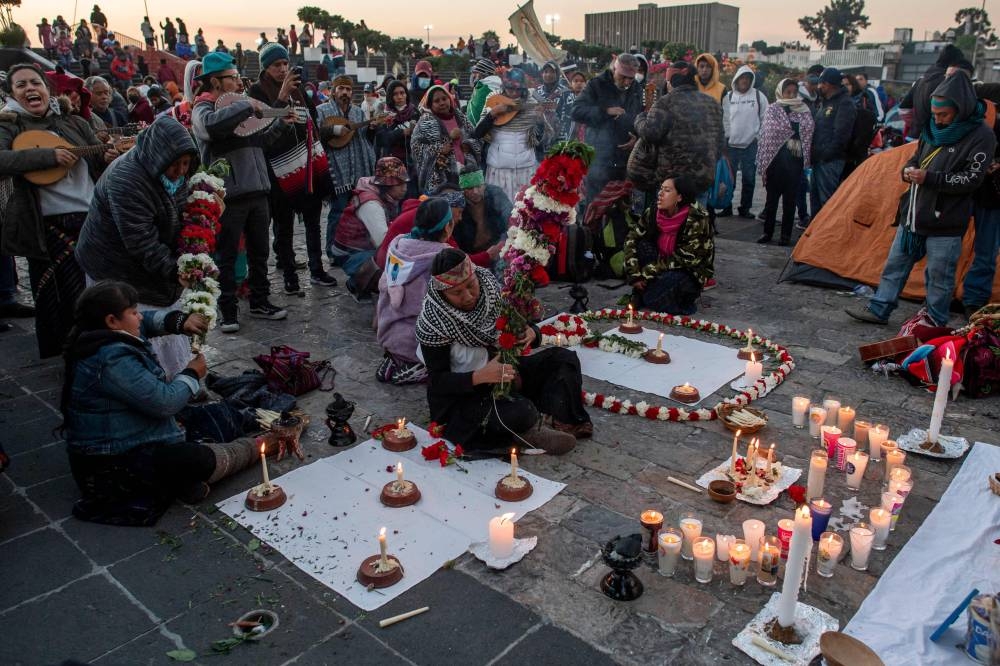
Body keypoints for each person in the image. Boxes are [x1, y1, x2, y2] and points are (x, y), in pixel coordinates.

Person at [61, 281, 259, 526]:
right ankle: (256, 447)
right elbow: (165, 403)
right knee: (195, 458)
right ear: (112, 321)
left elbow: (150, 321)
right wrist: (191, 374)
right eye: (133, 312)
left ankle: (183, 479)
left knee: (216, 416)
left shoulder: (104, 333)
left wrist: (181, 322)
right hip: (115, 460)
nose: (140, 317)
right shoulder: (111, 358)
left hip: (139, 434)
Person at [847, 73, 996, 327]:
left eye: (944, 115)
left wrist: (930, 178)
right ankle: (880, 307)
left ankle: (936, 321)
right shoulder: (931, 128)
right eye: (935, 114)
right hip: (914, 213)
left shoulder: (981, 135)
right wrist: (908, 170)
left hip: (946, 219)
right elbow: (917, 157)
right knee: (895, 265)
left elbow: (971, 179)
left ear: (961, 109)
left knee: (939, 276)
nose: (938, 120)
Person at [415, 248, 589, 451]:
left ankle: (558, 421)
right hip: (465, 395)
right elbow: (437, 382)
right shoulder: (433, 321)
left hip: (505, 374)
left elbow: (516, 326)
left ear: (476, 277)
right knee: (519, 411)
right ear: (442, 293)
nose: (468, 296)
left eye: (471, 286)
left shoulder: (489, 290)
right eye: (456, 293)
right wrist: (480, 376)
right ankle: (527, 429)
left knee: (562, 359)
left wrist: (532, 333)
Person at [0, 64, 117, 358]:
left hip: (90, 214)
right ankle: (73, 353)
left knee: (97, 290)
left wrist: (108, 155)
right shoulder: (9, 125)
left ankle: (102, 348)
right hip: (48, 225)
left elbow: (96, 156)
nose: (30, 88)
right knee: (62, 295)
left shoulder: (73, 123)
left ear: (46, 88)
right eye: (21, 85)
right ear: (12, 93)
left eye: (35, 82)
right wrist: (46, 156)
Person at [76, 116, 199, 377]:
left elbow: (180, 206)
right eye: (174, 165)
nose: (180, 171)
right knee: (136, 322)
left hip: (149, 258)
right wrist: (176, 270)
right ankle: (155, 382)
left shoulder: (171, 173)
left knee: (162, 322)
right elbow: (142, 242)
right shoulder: (127, 180)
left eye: (186, 164)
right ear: (158, 158)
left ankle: (177, 375)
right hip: (113, 262)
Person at [191, 51, 293, 332]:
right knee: (227, 256)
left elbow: (261, 142)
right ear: (215, 81)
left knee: (260, 253)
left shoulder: (239, 105)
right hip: (231, 196)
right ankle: (228, 311)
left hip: (258, 191)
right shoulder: (203, 109)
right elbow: (210, 129)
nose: (238, 82)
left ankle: (260, 301)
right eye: (232, 78)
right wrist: (247, 104)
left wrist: (281, 122)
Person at [248, 43, 338, 295]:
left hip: (305, 165)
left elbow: (310, 114)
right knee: (284, 226)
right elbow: (261, 121)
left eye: (285, 64)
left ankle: (317, 268)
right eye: (277, 65)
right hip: (279, 170)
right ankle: (289, 275)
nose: (282, 69)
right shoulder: (256, 91)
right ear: (266, 67)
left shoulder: (298, 88)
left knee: (312, 221)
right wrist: (282, 97)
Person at [376, 197, 457, 385]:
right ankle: (419, 366)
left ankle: (394, 360)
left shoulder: (398, 246)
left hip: (388, 332)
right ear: (447, 228)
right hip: (416, 341)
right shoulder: (443, 257)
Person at [629, 62, 725, 213]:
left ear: (671, 82)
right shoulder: (713, 104)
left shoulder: (665, 102)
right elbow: (719, 145)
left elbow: (650, 134)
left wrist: (640, 118)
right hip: (702, 178)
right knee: (696, 224)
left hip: (672, 182)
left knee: (669, 227)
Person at [623, 175, 714, 316]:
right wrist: (634, 273)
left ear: (679, 197)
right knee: (642, 245)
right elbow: (632, 238)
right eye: (661, 189)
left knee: (655, 298)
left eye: (667, 190)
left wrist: (648, 272)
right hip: (660, 262)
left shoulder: (697, 218)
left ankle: (648, 293)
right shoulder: (653, 211)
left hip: (687, 270)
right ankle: (642, 289)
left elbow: (686, 258)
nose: (660, 194)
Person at [317, 74, 378, 259]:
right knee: (338, 212)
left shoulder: (358, 113)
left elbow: (362, 139)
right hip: (336, 170)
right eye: (341, 88)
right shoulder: (322, 110)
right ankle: (332, 251)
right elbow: (316, 134)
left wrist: (372, 129)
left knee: (356, 213)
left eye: (348, 89)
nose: (345, 92)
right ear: (334, 91)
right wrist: (334, 130)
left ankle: (352, 248)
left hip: (357, 169)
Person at [571, 53, 643, 206]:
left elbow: (639, 116)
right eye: (623, 76)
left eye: (631, 78)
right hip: (599, 158)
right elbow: (576, 111)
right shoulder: (596, 84)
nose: (627, 82)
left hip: (625, 160)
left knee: (621, 209)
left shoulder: (636, 87)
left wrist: (636, 137)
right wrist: (606, 111)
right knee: (596, 207)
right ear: (614, 68)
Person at [331, 156, 409, 296]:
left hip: (362, 247)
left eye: (404, 183)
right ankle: (357, 283)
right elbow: (383, 241)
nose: (404, 188)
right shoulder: (371, 204)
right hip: (350, 253)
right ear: (386, 185)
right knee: (394, 264)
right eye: (399, 184)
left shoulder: (385, 196)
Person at [756, 78, 814, 245]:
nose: (791, 95)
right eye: (788, 92)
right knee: (771, 201)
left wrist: (789, 131)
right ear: (781, 92)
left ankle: (785, 236)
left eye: (794, 92)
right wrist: (792, 131)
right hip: (775, 161)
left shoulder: (804, 109)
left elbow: (808, 128)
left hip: (795, 162)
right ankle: (767, 233)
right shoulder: (773, 109)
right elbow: (770, 130)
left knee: (790, 202)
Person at [474, 69, 546, 202]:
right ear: (503, 86)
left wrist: (540, 121)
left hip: (526, 166)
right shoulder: (493, 98)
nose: (513, 93)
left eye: (517, 89)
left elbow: (539, 138)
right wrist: (492, 114)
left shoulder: (532, 101)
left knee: (525, 208)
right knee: (498, 208)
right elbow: (478, 133)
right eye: (509, 89)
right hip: (499, 168)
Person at [412, 84, 481, 194]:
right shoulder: (425, 122)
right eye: (437, 101)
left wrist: (468, 144)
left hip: (467, 170)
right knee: (448, 205)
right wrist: (439, 148)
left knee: (470, 203)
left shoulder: (460, 116)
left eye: (444, 99)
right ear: (430, 105)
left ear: (449, 99)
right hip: (441, 176)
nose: (442, 103)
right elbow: (416, 148)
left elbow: (475, 137)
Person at [721, 65, 768, 218]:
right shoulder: (728, 97)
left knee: (749, 179)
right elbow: (724, 119)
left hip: (750, 145)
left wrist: (758, 137)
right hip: (731, 146)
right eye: (742, 78)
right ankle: (726, 206)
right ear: (737, 79)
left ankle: (745, 208)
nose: (744, 81)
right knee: (729, 179)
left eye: (748, 78)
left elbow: (765, 119)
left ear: (751, 80)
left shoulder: (758, 96)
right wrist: (725, 139)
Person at [810, 67, 856, 216]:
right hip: (819, 159)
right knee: (815, 201)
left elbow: (841, 135)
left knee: (827, 203)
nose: (819, 87)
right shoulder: (825, 102)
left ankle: (827, 236)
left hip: (830, 161)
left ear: (829, 84)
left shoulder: (844, 103)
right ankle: (814, 234)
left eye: (821, 83)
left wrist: (826, 154)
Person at [899, 44, 964, 141]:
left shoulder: (921, 80)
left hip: (913, 137)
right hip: (932, 141)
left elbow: (903, 108)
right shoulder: (948, 82)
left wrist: (916, 123)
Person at [374, 79, 419, 185]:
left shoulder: (415, 113)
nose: (399, 96)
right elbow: (380, 139)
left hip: (412, 164)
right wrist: (401, 133)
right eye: (395, 94)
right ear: (390, 96)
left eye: (402, 93)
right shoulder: (384, 115)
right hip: (391, 164)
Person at [534, 61, 567, 151]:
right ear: (542, 74)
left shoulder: (565, 92)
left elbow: (569, 115)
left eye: (552, 72)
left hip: (561, 139)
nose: (548, 75)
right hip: (540, 138)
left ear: (558, 74)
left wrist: (556, 110)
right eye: (546, 72)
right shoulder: (536, 92)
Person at [556, 71, 588, 141]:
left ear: (586, 84)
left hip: (585, 136)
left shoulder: (590, 99)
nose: (579, 83)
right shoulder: (565, 97)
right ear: (571, 84)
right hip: (567, 135)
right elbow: (558, 113)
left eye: (582, 81)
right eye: (575, 81)